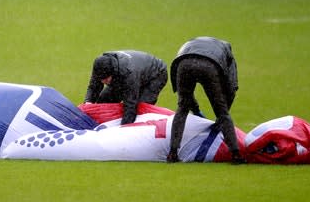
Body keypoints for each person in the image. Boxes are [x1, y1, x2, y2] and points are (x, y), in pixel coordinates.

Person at [166, 36, 245, 164]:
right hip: (209, 66)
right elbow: (232, 86)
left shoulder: (191, 44)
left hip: (183, 63)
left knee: (182, 109)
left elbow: (184, 93)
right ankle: (236, 155)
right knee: (222, 112)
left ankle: (172, 153)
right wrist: (222, 114)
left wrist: (193, 108)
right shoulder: (226, 53)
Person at [84, 50, 168, 125]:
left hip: (156, 75)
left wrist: (123, 129)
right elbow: (93, 87)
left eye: (106, 79)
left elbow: (130, 105)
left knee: (140, 109)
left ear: (112, 73)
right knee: (103, 102)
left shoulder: (128, 75)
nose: (103, 82)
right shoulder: (99, 68)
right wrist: (88, 103)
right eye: (100, 79)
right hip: (130, 74)